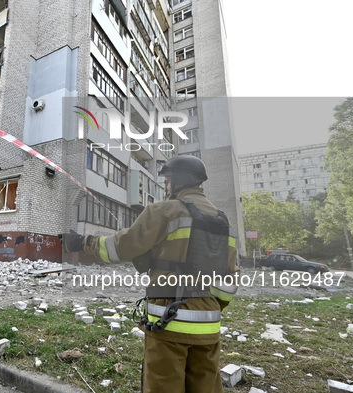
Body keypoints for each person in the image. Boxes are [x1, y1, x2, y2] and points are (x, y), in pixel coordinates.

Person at [60, 155, 239, 393]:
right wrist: (210, 307)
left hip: (169, 325)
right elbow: (230, 281)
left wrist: (82, 242)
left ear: (178, 181)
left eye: (167, 182)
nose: (165, 188)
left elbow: (120, 247)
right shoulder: (222, 221)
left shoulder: (164, 211)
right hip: (208, 329)